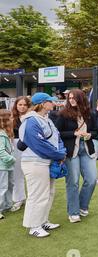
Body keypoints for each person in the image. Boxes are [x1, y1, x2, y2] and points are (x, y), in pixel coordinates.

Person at [20, 93, 66, 237]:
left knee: (48, 193)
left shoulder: (45, 118)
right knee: (37, 195)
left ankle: (42, 221)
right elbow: (39, 144)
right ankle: (33, 226)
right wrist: (59, 154)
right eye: (50, 101)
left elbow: (57, 138)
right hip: (34, 162)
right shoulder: (31, 120)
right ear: (43, 103)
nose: (53, 104)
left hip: (45, 161)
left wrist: (61, 151)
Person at [56, 89, 98, 223]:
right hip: (70, 150)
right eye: (70, 98)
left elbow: (97, 132)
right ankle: (73, 212)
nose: (71, 100)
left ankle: (82, 206)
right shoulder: (63, 114)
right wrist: (74, 134)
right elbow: (57, 133)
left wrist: (89, 135)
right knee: (73, 182)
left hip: (86, 148)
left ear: (81, 98)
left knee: (92, 179)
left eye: (74, 98)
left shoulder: (91, 114)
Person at [10, 96, 31, 212]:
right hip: (16, 146)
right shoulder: (12, 118)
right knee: (17, 174)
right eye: (20, 105)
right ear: (16, 105)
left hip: (30, 146)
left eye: (24, 105)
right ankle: (19, 198)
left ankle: (31, 199)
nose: (22, 107)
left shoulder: (32, 117)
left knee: (30, 174)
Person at [0, 110, 15, 220]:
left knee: (10, 184)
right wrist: (11, 159)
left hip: (8, 164)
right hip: (3, 165)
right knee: (3, 187)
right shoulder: (1, 134)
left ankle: (7, 205)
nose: (13, 119)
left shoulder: (7, 132)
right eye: (11, 118)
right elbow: (1, 151)